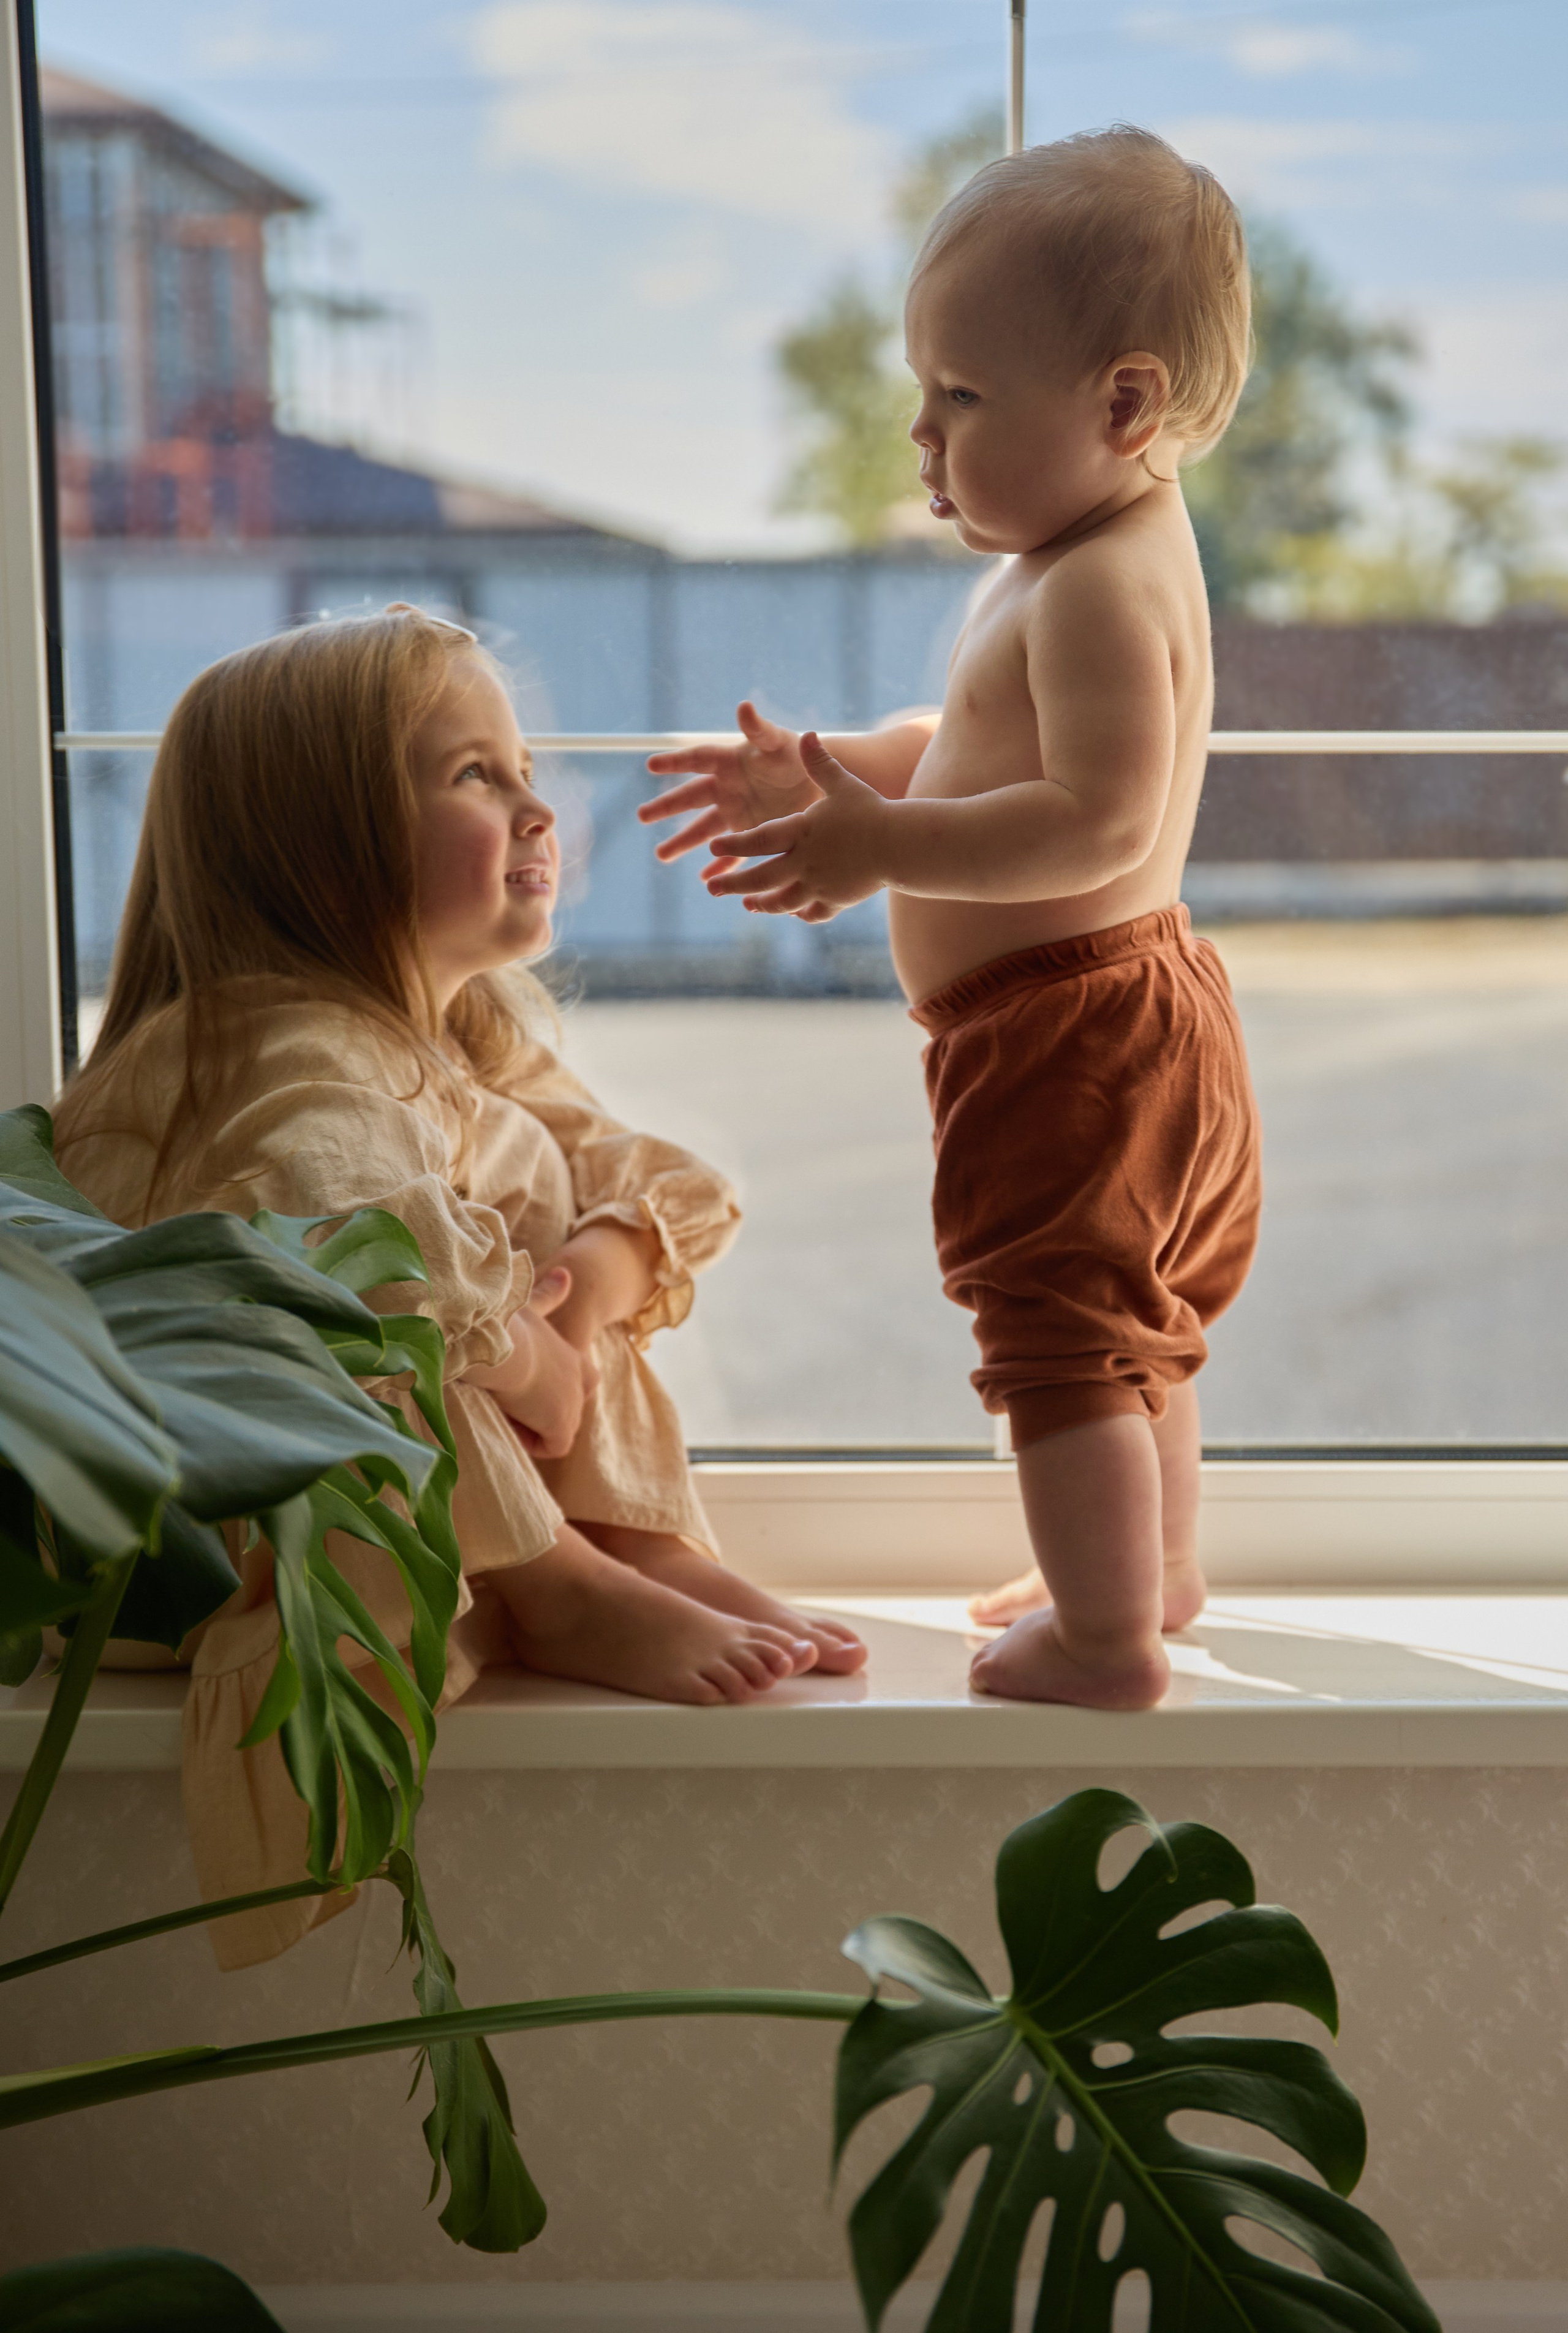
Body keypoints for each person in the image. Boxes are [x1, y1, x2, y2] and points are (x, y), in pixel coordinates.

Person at [55, 607, 864, 1967]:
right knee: (374, 1331)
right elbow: (351, 1249)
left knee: (550, 1252)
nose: (539, 808)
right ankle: (553, 1578)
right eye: (475, 776)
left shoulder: (453, 1032)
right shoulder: (285, 1051)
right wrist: (527, 1355)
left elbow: (656, 1178)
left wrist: (581, 1302)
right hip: (229, 1531)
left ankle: (626, 1543)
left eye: (525, 765)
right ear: (322, 843)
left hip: (441, 1461)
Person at [638, 127, 1261, 1712]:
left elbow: (1097, 821)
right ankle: (1153, 1566)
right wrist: (842, 771)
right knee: (1132, 1319)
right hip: (1128, 1010)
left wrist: (878, 848)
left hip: (1067, 1028)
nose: (921, 437)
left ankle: (1110, 1638)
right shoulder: (1089, 552)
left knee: (1055, 1329)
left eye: (963, 400)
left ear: (1124, 404)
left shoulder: (1101, 589)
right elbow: (991, 743)